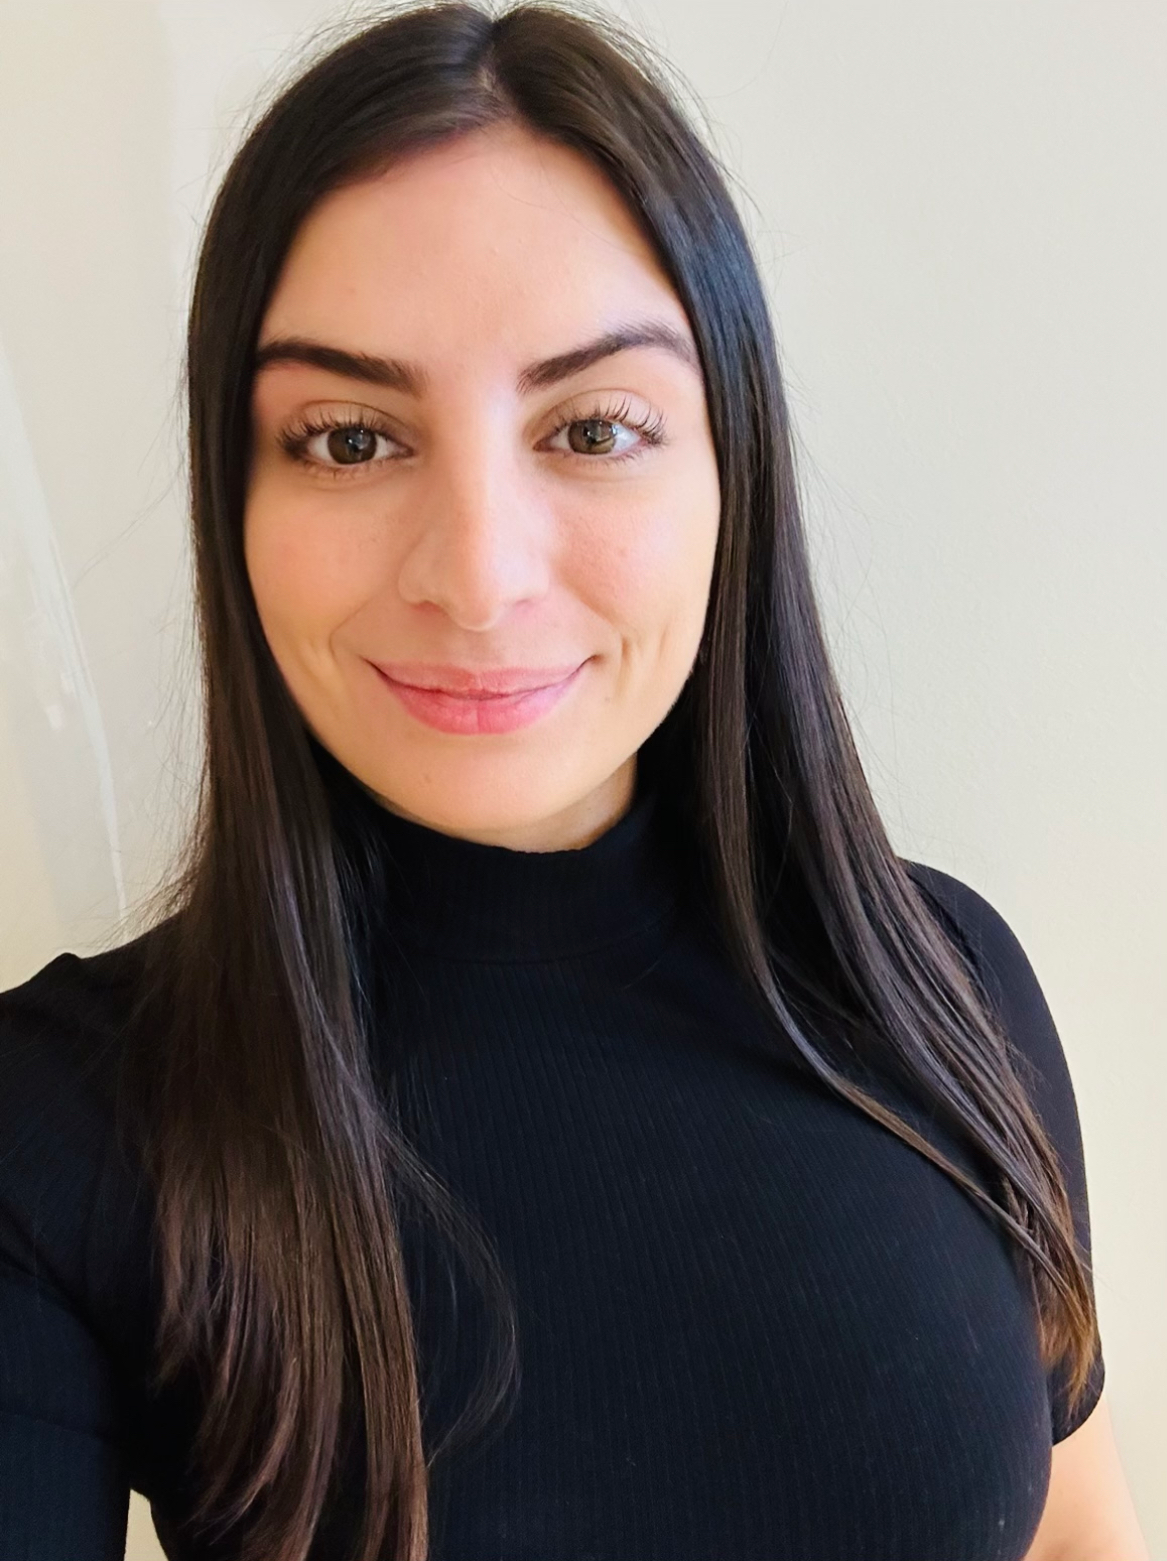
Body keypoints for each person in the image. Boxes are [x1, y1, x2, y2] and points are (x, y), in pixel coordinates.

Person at [0, 4, 1149, 1559]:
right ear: (233, 492)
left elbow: (1075, 1526)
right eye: (347, 439)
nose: (477, 578)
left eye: (594, 426)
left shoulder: (944, 985)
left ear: (728, 470)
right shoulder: (62, 1122)